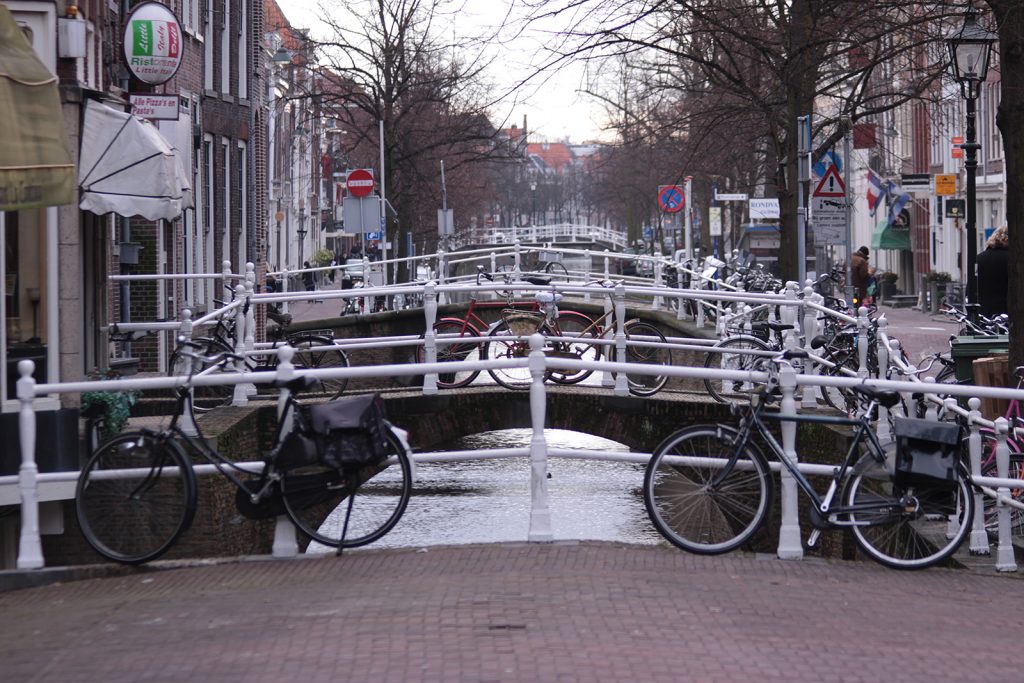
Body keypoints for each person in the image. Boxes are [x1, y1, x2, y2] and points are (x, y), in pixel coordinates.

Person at [976, 226, 1009, 317]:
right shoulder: (1013, 260)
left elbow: (972, 284)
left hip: (982, 311)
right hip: (1005, 311)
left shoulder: (979, 258)